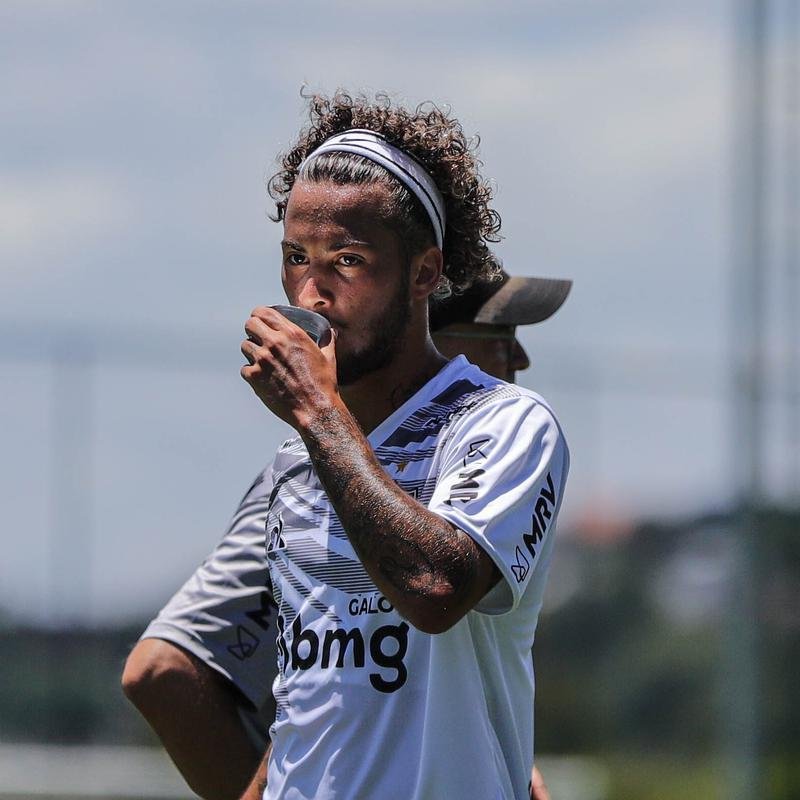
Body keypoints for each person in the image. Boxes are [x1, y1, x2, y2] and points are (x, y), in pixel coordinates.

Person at [123, 91, 569, 800]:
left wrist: (317, 411)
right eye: (296, 257)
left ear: (425, 274)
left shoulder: (504, 423)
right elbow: (316, 709)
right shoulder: (298, 462)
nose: (311, 291)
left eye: (348, 260)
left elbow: (435, 588)